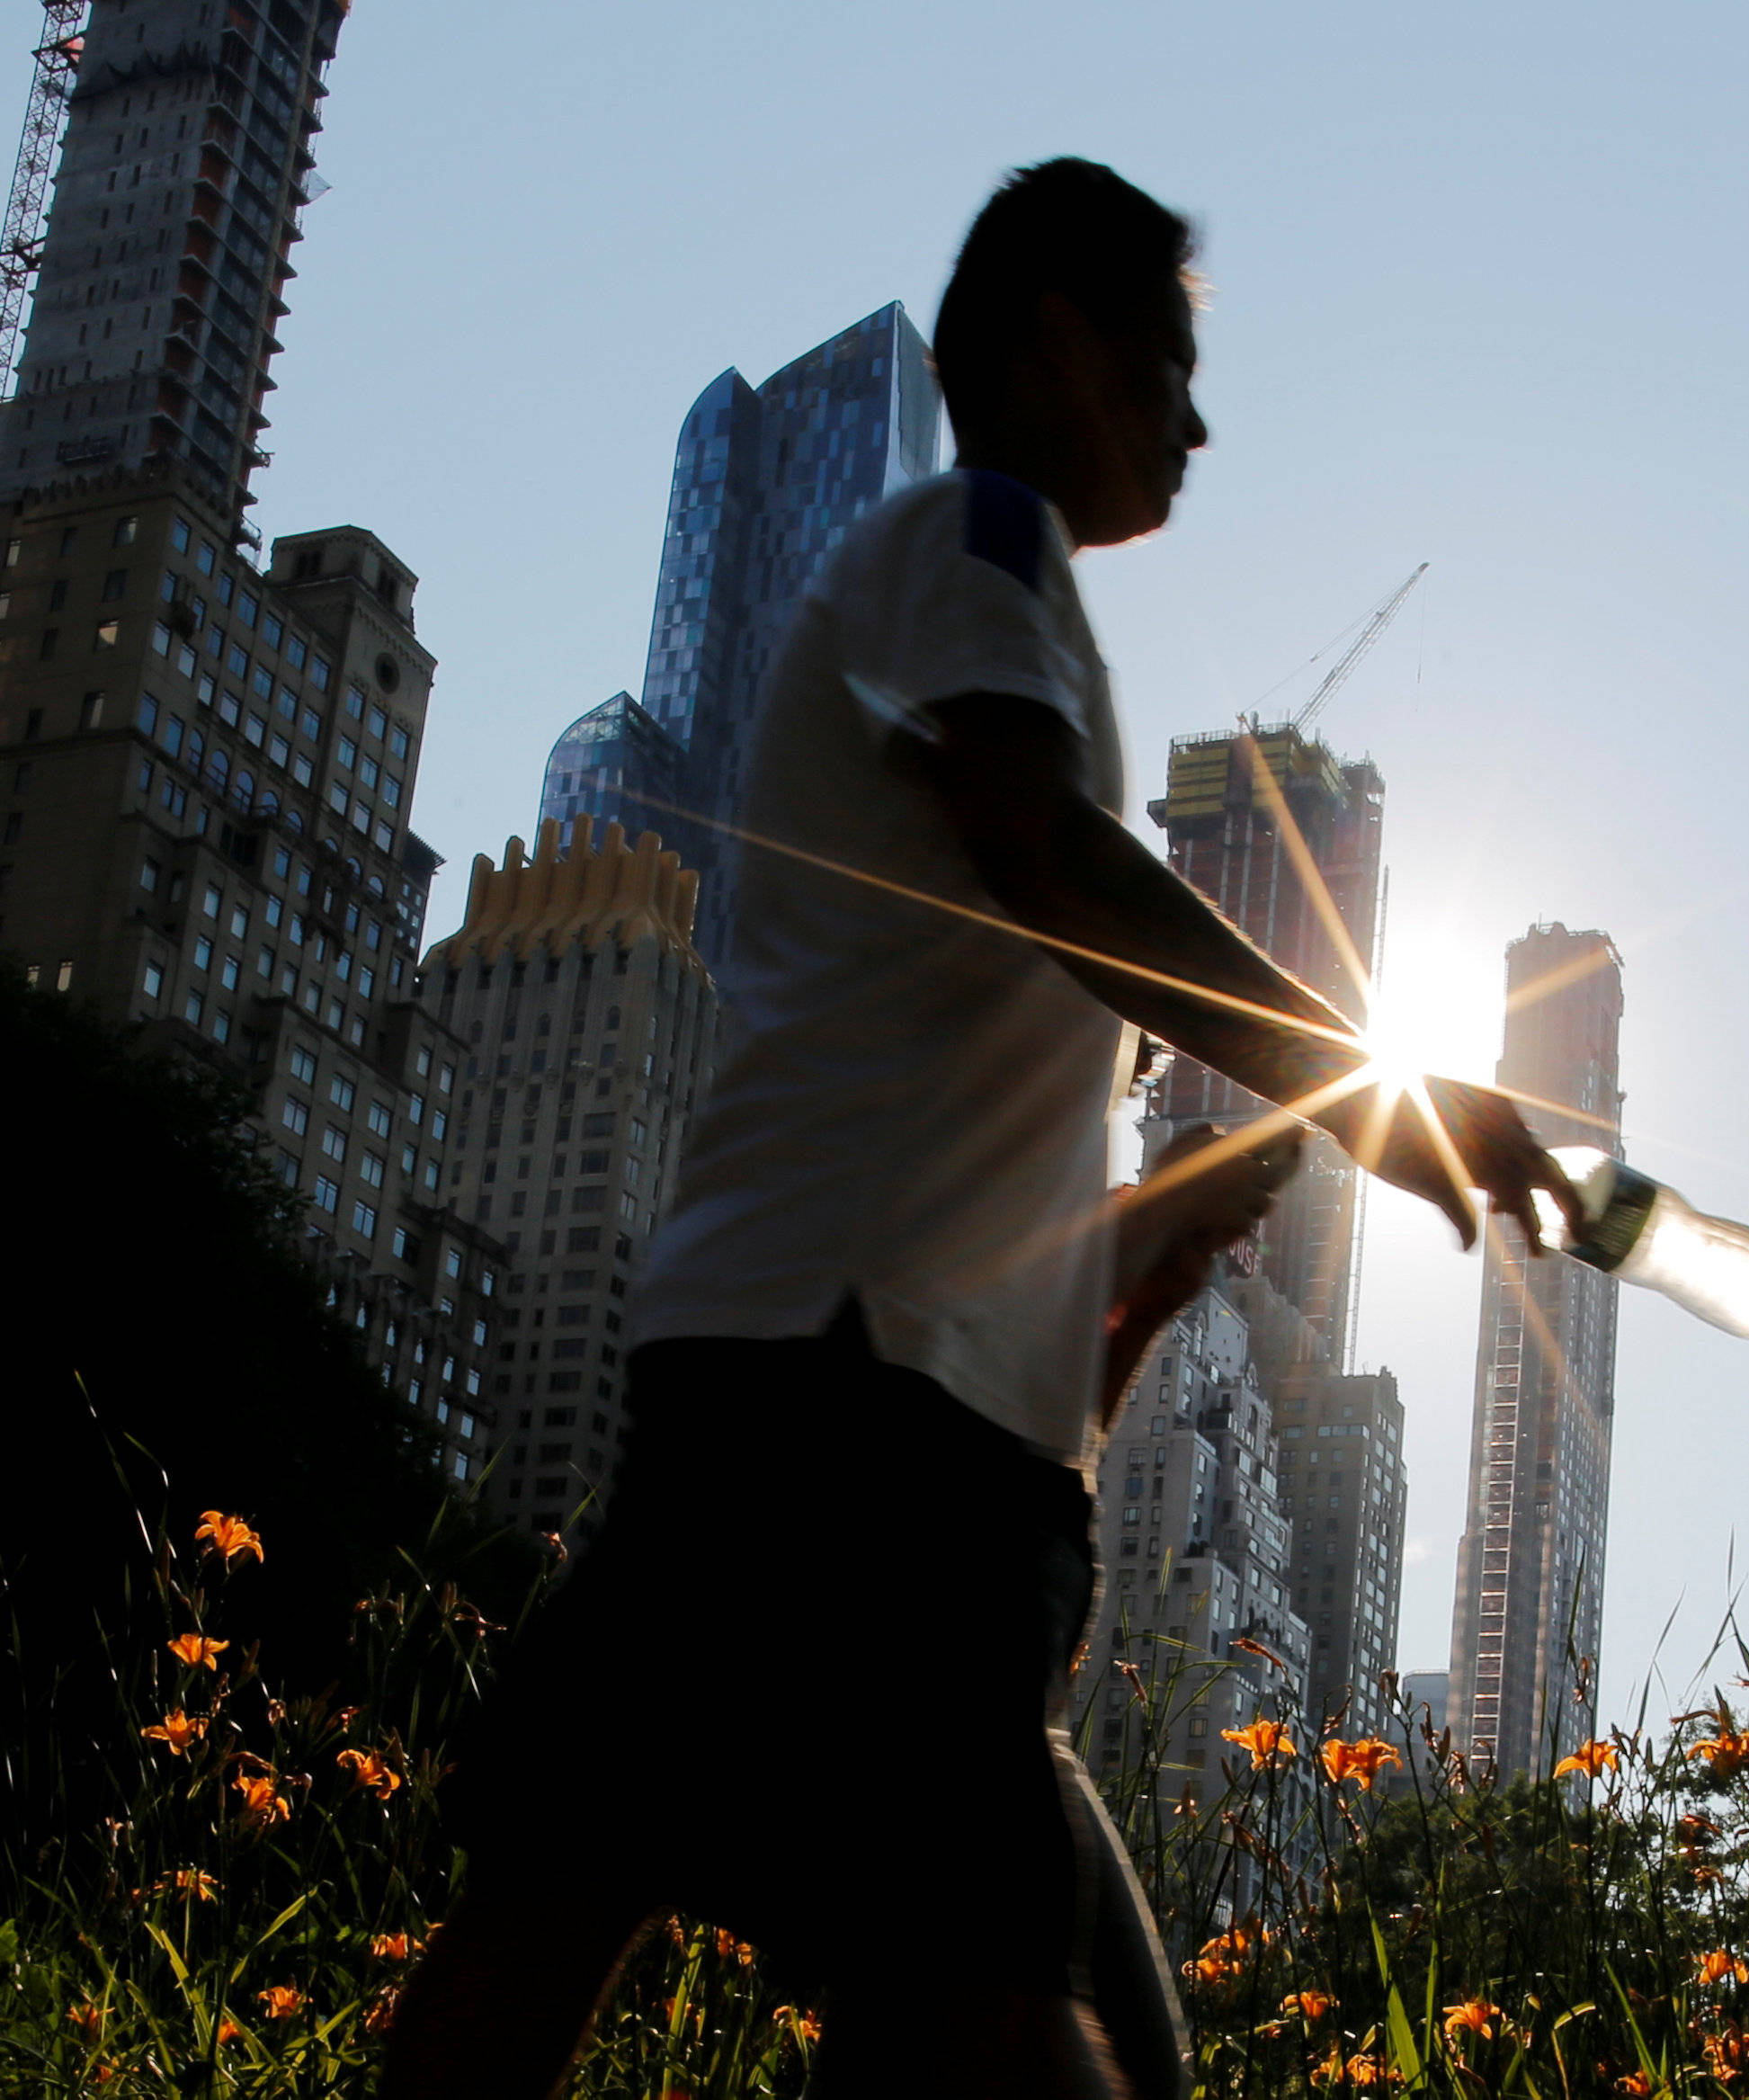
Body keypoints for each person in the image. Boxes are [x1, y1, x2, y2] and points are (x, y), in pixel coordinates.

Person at [383, 157, 1571, 2100]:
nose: (1195, 418)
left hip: (804, 1384)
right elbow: (1049, 860)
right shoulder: (978, 541)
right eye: (1164, 365)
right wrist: (1381, 1084)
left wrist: (1157, 1249)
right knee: (959, 2008)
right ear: (1048, 339)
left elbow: (980, 1155)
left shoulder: (986, 618)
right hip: (864, 1423)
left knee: (568, 1900)